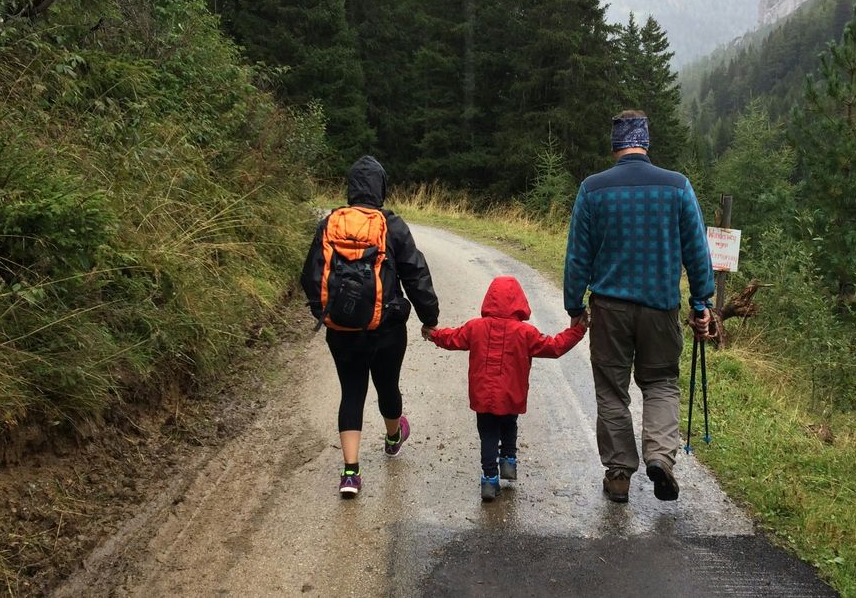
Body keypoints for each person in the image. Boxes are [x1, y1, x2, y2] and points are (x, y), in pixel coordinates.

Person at [563, 110, 716, 504]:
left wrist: (573, 304)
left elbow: (577, 256)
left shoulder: (592, 190)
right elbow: (697, 252)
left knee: (612, 390)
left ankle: (618, 475)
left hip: (610, 309)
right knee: (661, 382)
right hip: (661, 307)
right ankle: (660, 458)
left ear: (615, 144)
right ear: (645, 141)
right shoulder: (677, 187)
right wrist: (702, 302)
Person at [300, 156, 440, 498]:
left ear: (351, 188)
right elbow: (415, 274)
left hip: (341, 331)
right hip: (387, 329)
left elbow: (310, 276)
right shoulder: (392, 225)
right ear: (381, 188)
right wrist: (429, 318)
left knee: (351, 392)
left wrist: (326, 312)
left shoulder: (330, 223)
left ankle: (350, 472)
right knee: (387, 386)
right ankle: (393, 438)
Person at [427, 276, 588, 502]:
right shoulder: (526, 333)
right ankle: (509, 461)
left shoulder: (475, 327)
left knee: (488, 434)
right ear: (519, 302)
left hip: (483, 395)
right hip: (512, 394)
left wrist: (433, 333)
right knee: (509, 424)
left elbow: (452, 338)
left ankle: (489, 479)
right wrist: (578, 331)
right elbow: (554, 346)